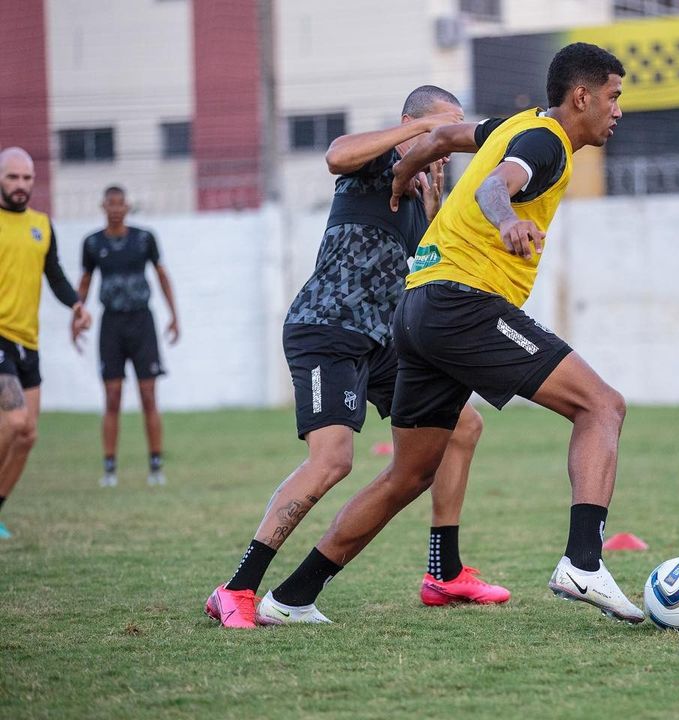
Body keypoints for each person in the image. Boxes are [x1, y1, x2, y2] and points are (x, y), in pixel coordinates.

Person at [255, 42, 645, 626]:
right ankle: (583, 562)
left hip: (415, 312)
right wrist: (508, 219)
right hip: (462, 304)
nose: (618, 111)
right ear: (581, 96)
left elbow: (439, 141)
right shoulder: (548, 145)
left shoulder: (510, 126)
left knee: (409, 473)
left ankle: (290, 597)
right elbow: (496, 187)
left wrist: (403, 175)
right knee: (602, 407)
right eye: (613, 98)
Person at [206, 85, 509, 629]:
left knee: (462, 425)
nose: (447, 140)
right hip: (326, 329)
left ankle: (445, 572)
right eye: (441, 126)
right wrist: (416, 137)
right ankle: (237, 588)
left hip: (383, 340)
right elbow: (335, 154)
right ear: (410, 123)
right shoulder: (377, 164)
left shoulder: (419, 191)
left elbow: (420, 267)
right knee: (333, 461)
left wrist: (434, 209)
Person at [0, 147, 92, 539]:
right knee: (14, 419)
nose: (20, 185)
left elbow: (53, 274)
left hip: (27, 342)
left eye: (27, 178)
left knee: (28, 435)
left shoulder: (41, 225)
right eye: (12, 177)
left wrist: (76, 304)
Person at [76, 186, 180, 487]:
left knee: (149, 395)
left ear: (128, 207)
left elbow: (161, 275)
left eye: (121, 204)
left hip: (141, 323)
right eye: (111, 204)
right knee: (112, 396)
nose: (116, 209)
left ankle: (156, 465)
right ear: (103, 206)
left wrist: (174, 315)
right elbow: (84, 281)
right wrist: (77, 313)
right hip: (111, 325)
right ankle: (109, 468)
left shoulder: (144, 239)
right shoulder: (93, 243)